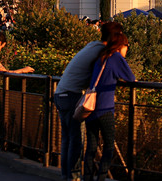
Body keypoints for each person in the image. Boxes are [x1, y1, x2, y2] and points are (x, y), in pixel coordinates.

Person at [55, 22, 123, 181]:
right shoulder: (103, 52)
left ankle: (66, 175)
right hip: (71, 96)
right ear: (115, 36)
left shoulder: (93, 45)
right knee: (77, 139)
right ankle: (74, 176)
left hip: (60, 93)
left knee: (67, 138)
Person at [84, 32, 136, 181]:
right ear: (121, 46)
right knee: (108, 145)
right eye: (126, 46)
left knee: (91, 146)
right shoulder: (116, 57)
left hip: (90, 108)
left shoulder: (101, 57)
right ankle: (101, 177)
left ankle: (87, 176)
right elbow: (131, 78)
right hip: (105, 108)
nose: (127, 49)